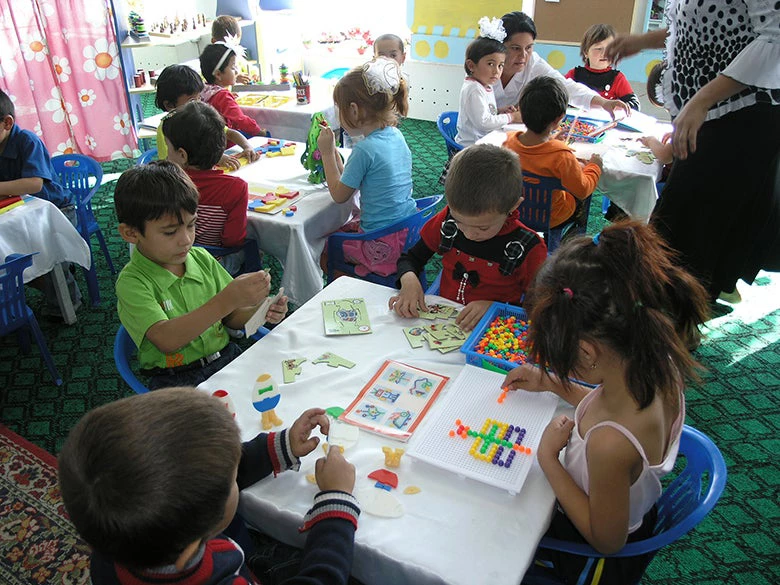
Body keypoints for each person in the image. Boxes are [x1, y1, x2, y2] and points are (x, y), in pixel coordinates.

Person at [503, 221, 710, 584]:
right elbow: (605, 410)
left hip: (592, 561)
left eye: (559, 358)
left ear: (586, 351)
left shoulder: (610, 445)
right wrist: (550, 383)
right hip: (619, 498)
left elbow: (606, 540)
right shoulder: (656, 360)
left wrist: (548, 459)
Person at [58, 387, 360, 585]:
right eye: (231, 476)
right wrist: (336, 501)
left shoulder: (115, 544)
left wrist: (283, 446)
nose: (234, 472)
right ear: (203, 521)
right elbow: (324, 579)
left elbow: (196, 479)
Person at [605, 0, 780, 303]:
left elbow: (774, 39)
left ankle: (673, 321)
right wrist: (642, 41)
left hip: (737, 116)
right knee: (684, 232)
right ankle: (674, 314)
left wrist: (701, 101)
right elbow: (702, 27)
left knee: (689, 232)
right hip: (706, 113)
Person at [114, 161, 287, 391]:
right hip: (174, 378)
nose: (186, 239)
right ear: (131, 233)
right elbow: (167, 339)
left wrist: (261, 311)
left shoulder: (201, 259)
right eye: (170, 232)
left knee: (278, 393)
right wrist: (228, 299)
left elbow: (231, 317)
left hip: (225, 358)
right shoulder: (132, 282)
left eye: (191, 225)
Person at [389, 144, 547, 331]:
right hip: (446, 323)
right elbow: (411, 258)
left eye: (483, 227)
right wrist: (409, 279)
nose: (469, 234)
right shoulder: (447, 220)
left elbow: (540, 307)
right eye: (459, 221)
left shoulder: (529, 247)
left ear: (513, 207)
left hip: (494, 331)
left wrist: (496, 309)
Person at [0, 89, 82, 318]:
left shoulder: (27, 141)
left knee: (46, 254)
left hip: (56, 211)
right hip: (19, 212)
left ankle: (68, 303)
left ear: (7, 123)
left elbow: (35, 184)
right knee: (16, 256)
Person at [316, 58, 416, 232]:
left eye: (339, 110)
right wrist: (332, 151)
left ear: (354, 110)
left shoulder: (365, 149)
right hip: (406, 228)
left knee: (325, 243)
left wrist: (325, 154)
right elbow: (349, 179)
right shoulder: (396, 135)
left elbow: (339, 196)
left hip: (379, 238)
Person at [162, 101, 249, 276]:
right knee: (250, 249)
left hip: (171, 261)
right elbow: (233, 240)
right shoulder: (236, 188)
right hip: (214, 263)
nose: (165, 154)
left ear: (182, 155)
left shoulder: (163, 180)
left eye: (167, 147)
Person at [503, 76, 603, 229]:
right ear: (559, 119)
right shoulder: (562, 156)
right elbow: (583, 190)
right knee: (582, 199)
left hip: (515, 210)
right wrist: (595, 167)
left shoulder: (508, 143)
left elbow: (535, 153)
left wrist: (551, 141)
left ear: (521, 111)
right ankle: (575, 240)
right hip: (553, 217)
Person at [492, 11, 631, 120]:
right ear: (500, 46)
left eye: (529, 47)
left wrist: (604, 103)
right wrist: (502, 115)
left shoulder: (533, 63)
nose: (523, 56)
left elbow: (565, 87)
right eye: (515, 48)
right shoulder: (482, 64)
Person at [153, 64, 259, 168]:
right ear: (169, 105)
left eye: (199, 98)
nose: (199, 104)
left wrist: (247, 146)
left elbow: (230, 133)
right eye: (192, 100)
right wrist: (217, 158)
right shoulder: (166, 129)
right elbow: (171, 166)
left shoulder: (200, 117)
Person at [455, 17, 522, 147]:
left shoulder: (485, 85)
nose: (496, 71)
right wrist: (512, 117)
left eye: (501, 65)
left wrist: (499, 111)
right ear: (471, 66)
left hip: (483, 141)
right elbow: (484, 123)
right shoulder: (474, 89)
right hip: (471, 147)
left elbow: (485, 112)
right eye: (490, 64)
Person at [200, 43, 269, 139]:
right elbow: (240, 120)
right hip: (226, 141)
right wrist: (259, 132)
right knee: (267, 134)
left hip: (211, 139)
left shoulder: (206, 89)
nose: (237, 71)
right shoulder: (222, 96)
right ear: (218, 74)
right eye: (233, 67)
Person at [565, 24, 640, 111]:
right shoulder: (574, 74)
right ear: (586, 52)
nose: (604, 53)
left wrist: (621, 107)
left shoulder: (618, 79)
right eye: (598, 48)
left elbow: (635, 104)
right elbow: (556, 95)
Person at [212, 15, 252, 84]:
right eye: (226, 47)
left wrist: (254, 75)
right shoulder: (209, 62)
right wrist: (234, 78)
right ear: (214, 41)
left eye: (235, 46)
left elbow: (251, 70)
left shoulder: (238, 59)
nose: (231, 51)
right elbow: (209, 82)